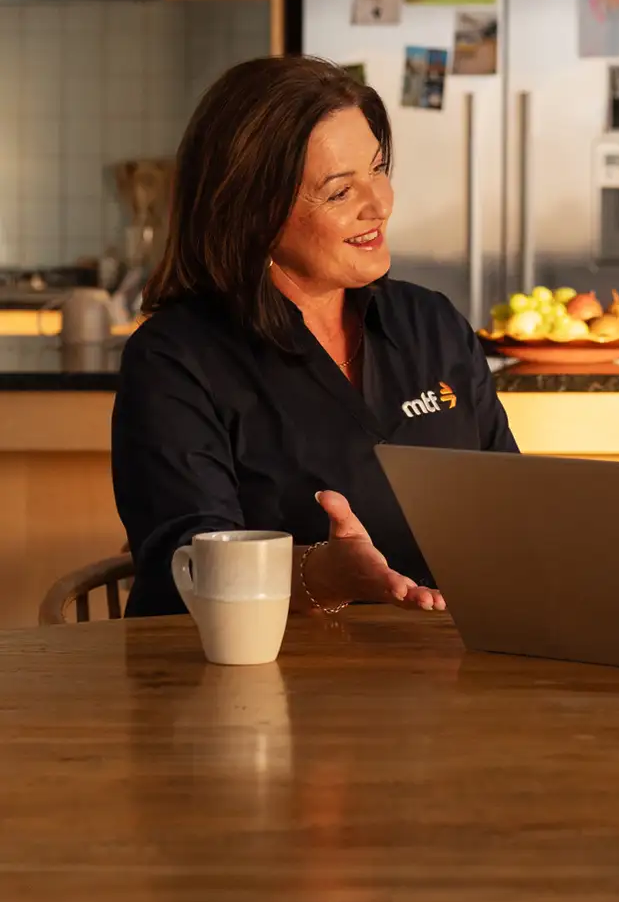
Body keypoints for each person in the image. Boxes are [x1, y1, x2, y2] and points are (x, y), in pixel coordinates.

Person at [113, 56, 518, 618]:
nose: (378, 205)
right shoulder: (176, 360)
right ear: (252, 210)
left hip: (455, 670)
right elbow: (179, 574)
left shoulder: (433, 324)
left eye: (378, 169)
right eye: (338, 192)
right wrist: (314, 576)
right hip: (263, 690)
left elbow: (511, 510)